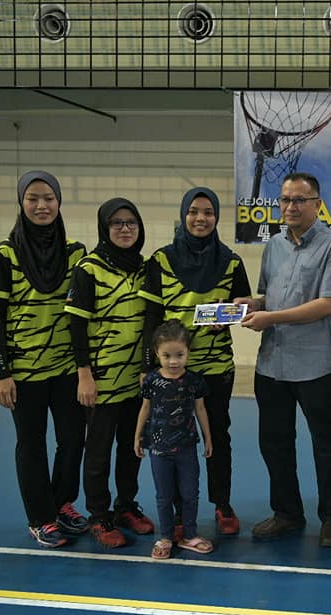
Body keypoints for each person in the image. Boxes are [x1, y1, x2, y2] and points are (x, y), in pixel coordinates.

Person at [236, 172, 331, 548]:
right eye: (285, 199)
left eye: (299, 200)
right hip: (273, 363)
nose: (290, 207)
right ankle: (287, 512)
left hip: (317, 364)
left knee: (327, 444)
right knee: (274, 442)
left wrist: (271, 317)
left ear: (317, 204)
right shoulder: (274, 246)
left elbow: (328, 304)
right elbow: (269, 295)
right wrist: (253, 304)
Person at [0, 170, 88, 548]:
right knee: (32, 443)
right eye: (33, 199)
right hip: (24, 372)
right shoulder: (4, 254)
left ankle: (61, 503)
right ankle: (40, 517)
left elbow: (82, 313)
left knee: (72, 440)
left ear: (59, 202)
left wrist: (85, 367)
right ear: (21, 203)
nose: (42, 206)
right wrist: (1, 373)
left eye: (49, 198)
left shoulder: (75, 252)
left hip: (66, 368)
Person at [139, 187, 251, 538]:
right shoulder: (160, 260)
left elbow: (244, 307)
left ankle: (222, 504)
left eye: (208, 212)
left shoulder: (231, 261)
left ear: (216, 217)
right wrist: (147, 366)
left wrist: (229, 315)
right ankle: (176, 512)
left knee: (217, 434)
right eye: (193, 212)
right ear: (183, 215)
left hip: (215, 368)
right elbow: (151, 317)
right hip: (172, 371)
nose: (201, 218)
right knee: (171, 439)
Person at [66, 197, 154, 549]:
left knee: (132, 447)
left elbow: (151, 321)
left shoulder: (145, 268)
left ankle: (125, 506)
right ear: (105, 227)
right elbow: (76, 326)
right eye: (116, 223)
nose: (125, 229)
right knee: (99, 450)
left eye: (131, 222)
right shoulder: (88, 269)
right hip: (101, 379)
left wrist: (148, 368)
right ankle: (99, 515)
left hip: (136, 379)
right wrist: (84, 375)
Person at [135, 320, 214, 559]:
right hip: (159, 450)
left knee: (190, 493)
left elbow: (200, 409)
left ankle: (190, 535)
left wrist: (208, 438)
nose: (173, 361)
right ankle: (166, 537)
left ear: (188, 351)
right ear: (156, 353)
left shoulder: (194, 380)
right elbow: (145, 408)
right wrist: (137, 436)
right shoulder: (151, 381)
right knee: (164, 496)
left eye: (179, 355)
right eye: (167, 355)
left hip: (187, 448)